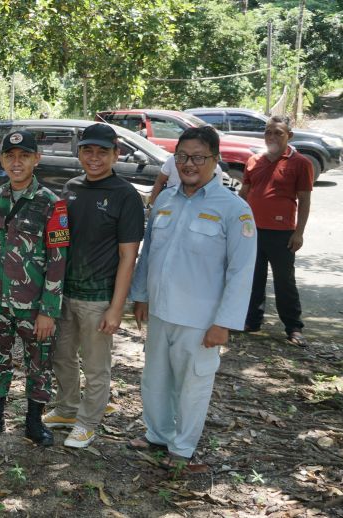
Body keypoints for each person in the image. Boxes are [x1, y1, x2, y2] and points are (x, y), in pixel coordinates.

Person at [130, 126, 256, 466]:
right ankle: (157, 434)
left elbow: (241, 272)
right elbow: (149, 253)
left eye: (198, 157)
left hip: (201, 320)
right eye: (182, 156)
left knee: (192, 386)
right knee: (155, 379)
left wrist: (224, 323)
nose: (189, 164)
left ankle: (182, 448)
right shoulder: (165, 201)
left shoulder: (234, 209)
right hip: (159, 311)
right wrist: (140, 295)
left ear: (215, 160)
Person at [0, 130, 69, 447]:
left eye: (24, 156)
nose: (17, 162)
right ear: (2, 160)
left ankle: (34, 422)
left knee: (39, 365)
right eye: (10, 156)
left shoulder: (53, 205)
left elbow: (58, 261)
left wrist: (49, 311)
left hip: (35, 307)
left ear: (36, 159)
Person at [47, 123, 144, 448]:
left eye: (103, 152)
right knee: (61, 356)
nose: (95, 157)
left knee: (95, 365)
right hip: (64, 293)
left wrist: (117, 308)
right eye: (88, 150)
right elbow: (59, 241)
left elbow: (128, 256)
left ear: (116, 154)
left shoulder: (125, 195)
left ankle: (88, 422)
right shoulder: (72, 187)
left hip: (99, 297)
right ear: (79, 153)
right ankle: (67, 409)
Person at [240, 115, 313, 347]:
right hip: (252, 231)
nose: (272, 137)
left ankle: (293, 327)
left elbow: (304, 200)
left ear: (289, 136)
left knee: (284, 281)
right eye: (268, 132)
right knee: (253, 278)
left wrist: (298, 232)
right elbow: (243, 194)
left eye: (278, 133)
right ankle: (252, 321)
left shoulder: (300, 163)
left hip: (282, 233)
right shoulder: (254, 160)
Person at [149, 154, 226, 205]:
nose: (188, 164)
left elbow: (216, 194)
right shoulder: (172, 160)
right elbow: (159, 182)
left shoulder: (215, 169)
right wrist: (152, 206)